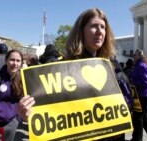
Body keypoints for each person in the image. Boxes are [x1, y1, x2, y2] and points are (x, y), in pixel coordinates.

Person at [18, 8, 123, 140]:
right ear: (81, 31)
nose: (99, 31)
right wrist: (27, 113)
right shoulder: (65, 66)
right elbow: (49, 112)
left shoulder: (109, 66)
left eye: (103, 27)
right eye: (94, 26)